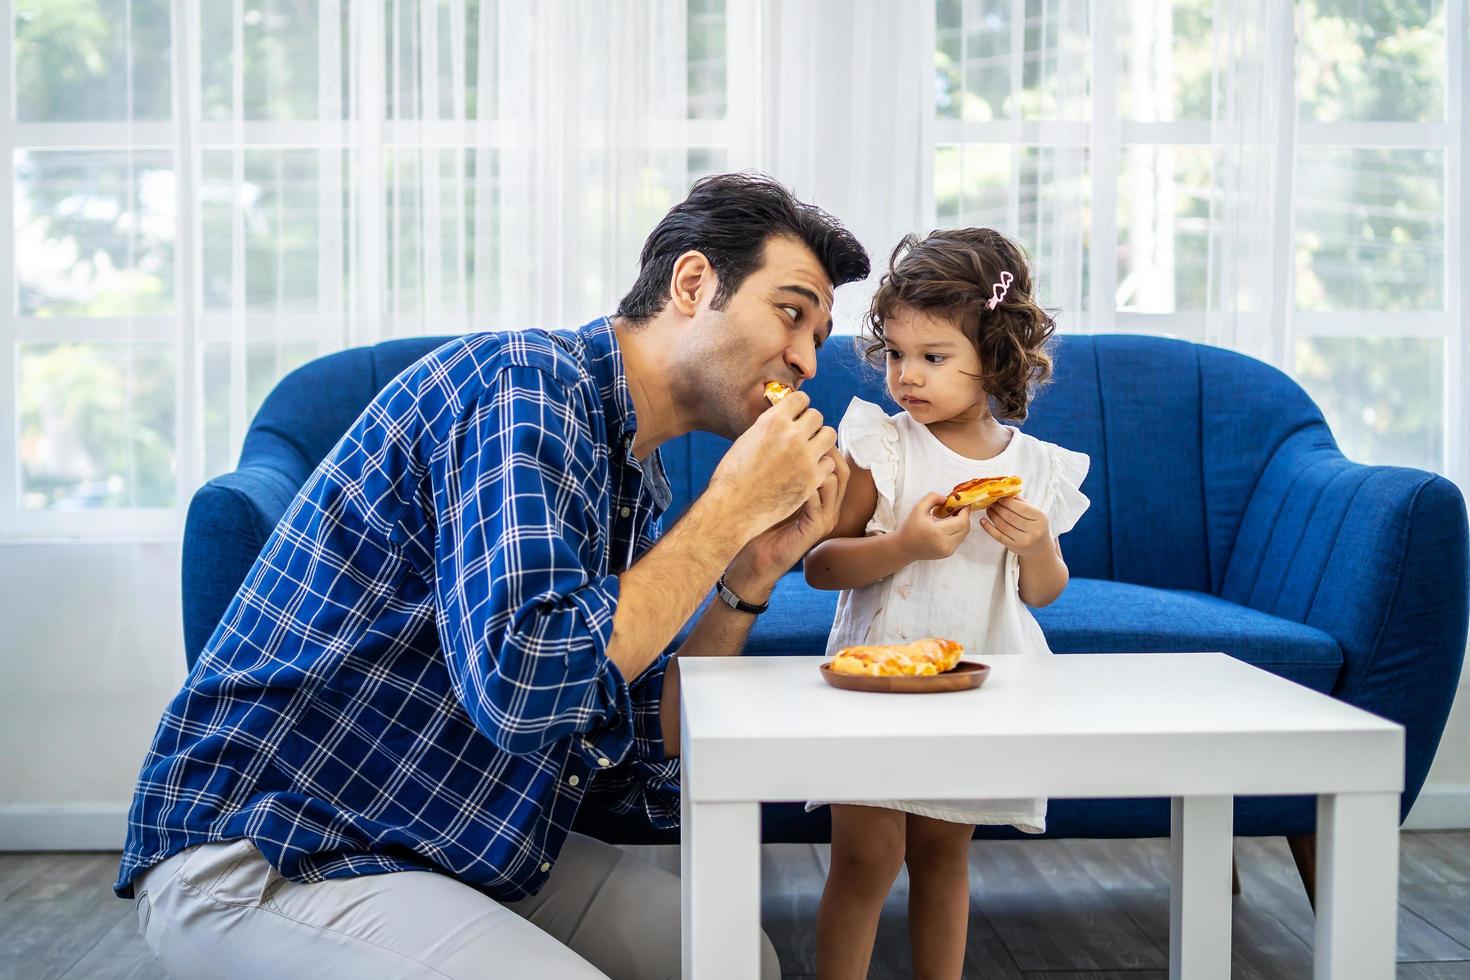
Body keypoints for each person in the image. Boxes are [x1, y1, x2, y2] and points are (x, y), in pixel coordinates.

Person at [116, 173, 869, 979]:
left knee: (732, 959)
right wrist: (725, 509)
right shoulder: (526, 387)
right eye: (791, 312)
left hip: (443, 840)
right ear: (693, 284)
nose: (805, 357)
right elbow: (528, 681)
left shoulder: (632, 479)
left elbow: (635, 747)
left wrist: (750, 570)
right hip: (271, 845)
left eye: (819, 336)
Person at [802, 228, 1091, 979]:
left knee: (943, 856)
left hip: (973, 687)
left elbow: (1044, 593)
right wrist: (902, 546)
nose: (907, 377)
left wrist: (1037, 545)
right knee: (866, 858)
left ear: (993, 359)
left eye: (934, 358)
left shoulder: (1034, 469)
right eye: (896, 355)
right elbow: (822, 566)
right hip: (875, 686)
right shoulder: (884, 447)